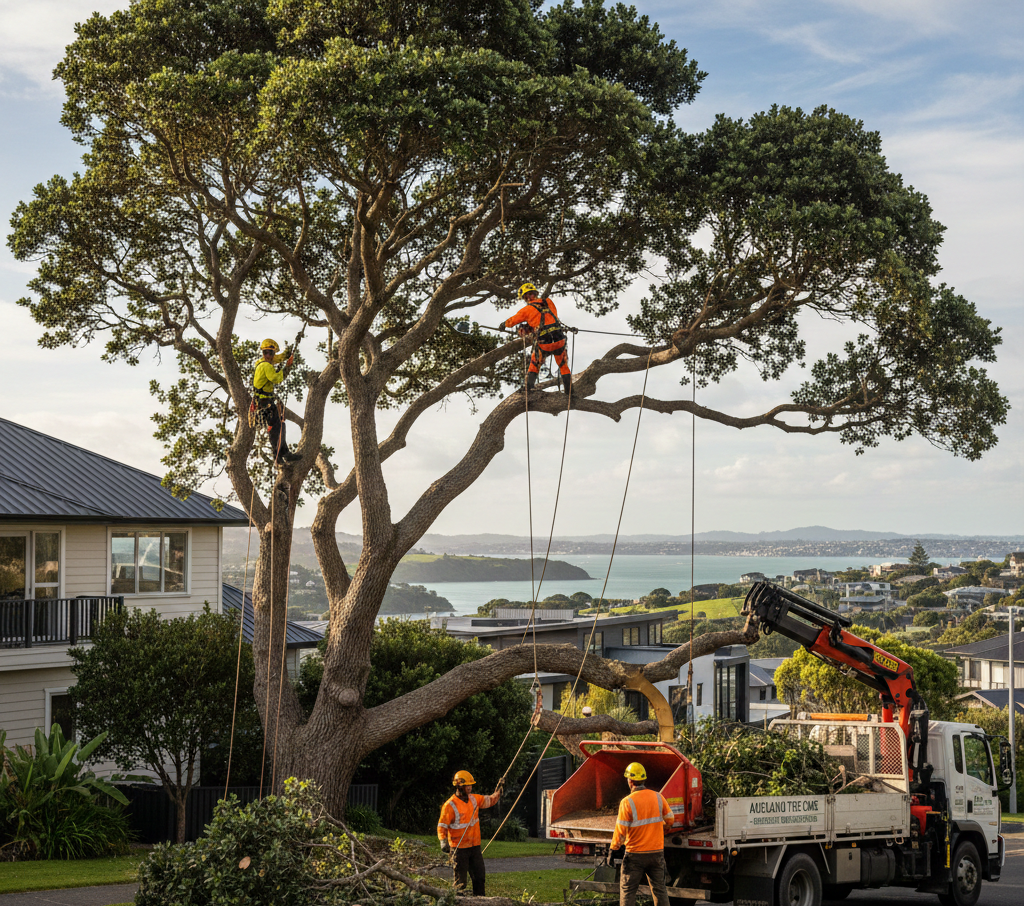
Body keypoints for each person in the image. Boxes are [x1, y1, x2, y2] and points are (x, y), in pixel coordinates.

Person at [607, 762, 674, 906]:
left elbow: (621, 830)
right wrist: (662, 829)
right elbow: (670, 819)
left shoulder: (627, 802)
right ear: (644, 780)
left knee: (628, 891)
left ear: (630, 781)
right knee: (660, 890)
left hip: (635, 855)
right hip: (656, 853)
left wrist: (613, 849)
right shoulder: (658, 797)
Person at [437, 769, 502, 895]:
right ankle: (458, 901)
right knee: (460, 882)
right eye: (467, 785)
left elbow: (490, 800)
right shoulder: (449, 805)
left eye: (471, 785)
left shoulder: (474, 799)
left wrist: (498, 791)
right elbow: (442, 825)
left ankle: (480, 901)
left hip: (474, 847)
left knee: (479, 877)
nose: (470, 788)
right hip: (459, 849)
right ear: (459, 785)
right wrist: (443, 841)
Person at [500, 282, 572, 393]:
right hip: (559, 340)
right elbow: (551, 319)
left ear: (525, 297)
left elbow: (512, 321)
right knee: (563, 365)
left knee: (534, 362)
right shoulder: (549, 302)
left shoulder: (526, 310)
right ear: (535, 293)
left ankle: (529, 388)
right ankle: (569, 391)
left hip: (545, 343)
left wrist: (503, 325)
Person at [252, 338, 302, 463]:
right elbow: (277, 378)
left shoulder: (260, 362)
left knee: (280, 426)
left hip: (265, 401)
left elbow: (278, 359)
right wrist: (287, 367)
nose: (268, 355)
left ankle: (285, 453)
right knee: (276, 429)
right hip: (265, 403)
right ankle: (278, 457)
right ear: (263, 353)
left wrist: (288, 353)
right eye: (266, 353)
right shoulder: (266, 366)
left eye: (271, 353)